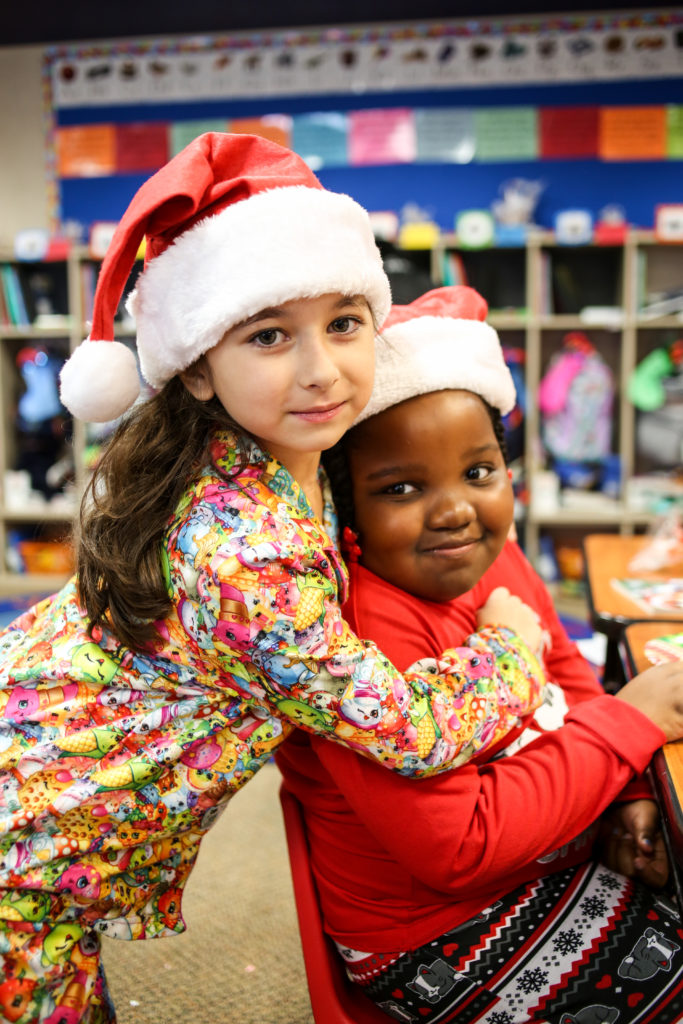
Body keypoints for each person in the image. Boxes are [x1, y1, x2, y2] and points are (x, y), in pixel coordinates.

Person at [0, 135, 550, 1023]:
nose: (322, 369)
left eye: (344, 321)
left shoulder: (273, 447)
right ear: (201, 371)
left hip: (49, 821)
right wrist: (510, 649)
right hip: (27, 847)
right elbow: (408, 733)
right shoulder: (243, 550)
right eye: (267, 336)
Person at [276, 285, 683, 1023]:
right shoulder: (353, 641)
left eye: (479, 472)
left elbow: (564, 677)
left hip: (545, 860)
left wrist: (623, 791)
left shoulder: (485, 555)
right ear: (347, 511)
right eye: (401, 487)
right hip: (434, 935)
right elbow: (458, 847)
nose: (455, 509)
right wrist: (630, 728)